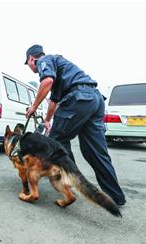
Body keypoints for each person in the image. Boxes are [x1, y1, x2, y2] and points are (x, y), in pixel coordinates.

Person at [24, 44, 126, 206]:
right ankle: (117, 197)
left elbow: (47, 81)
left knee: (56, 143)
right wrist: (47, 121)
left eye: (28, 63)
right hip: (94, 100)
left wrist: (34, 107)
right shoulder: (61, 69)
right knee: (94, 151)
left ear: (31, 59)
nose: (30, 67)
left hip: (78, 98)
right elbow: (54, 101)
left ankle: (71, 181)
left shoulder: (44, 60)